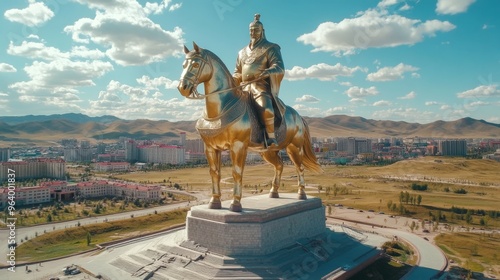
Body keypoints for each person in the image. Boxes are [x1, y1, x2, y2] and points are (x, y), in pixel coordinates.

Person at [233, 14, 285, 150]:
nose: (253, 32)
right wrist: (234, 78)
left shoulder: (271, 48)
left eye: (256, 30)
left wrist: (267, 72)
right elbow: (237, 71)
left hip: (259, 86)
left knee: (266, 108)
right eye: (251, 30)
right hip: (243, 87)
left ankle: (271, 137)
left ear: (262, 31)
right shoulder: (242, 52)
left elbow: (279, 67)